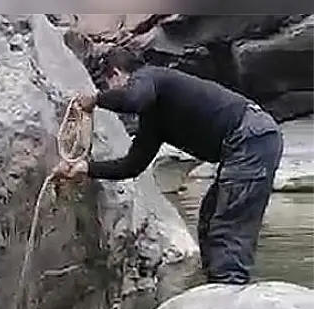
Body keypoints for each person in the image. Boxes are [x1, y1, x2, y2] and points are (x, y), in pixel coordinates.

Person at [51, 48, 284, 286]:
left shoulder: (149, 75)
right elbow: (132, 166)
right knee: (209, 219)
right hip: (247, 142)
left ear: (117, 74)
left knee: (228, 226)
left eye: (110, 84)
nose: (112, 90)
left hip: (250, 137)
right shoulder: (154, 120)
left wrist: (96, 99)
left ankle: (230, 288)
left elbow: (133, 100)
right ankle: (217, 284)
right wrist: (85, 168)